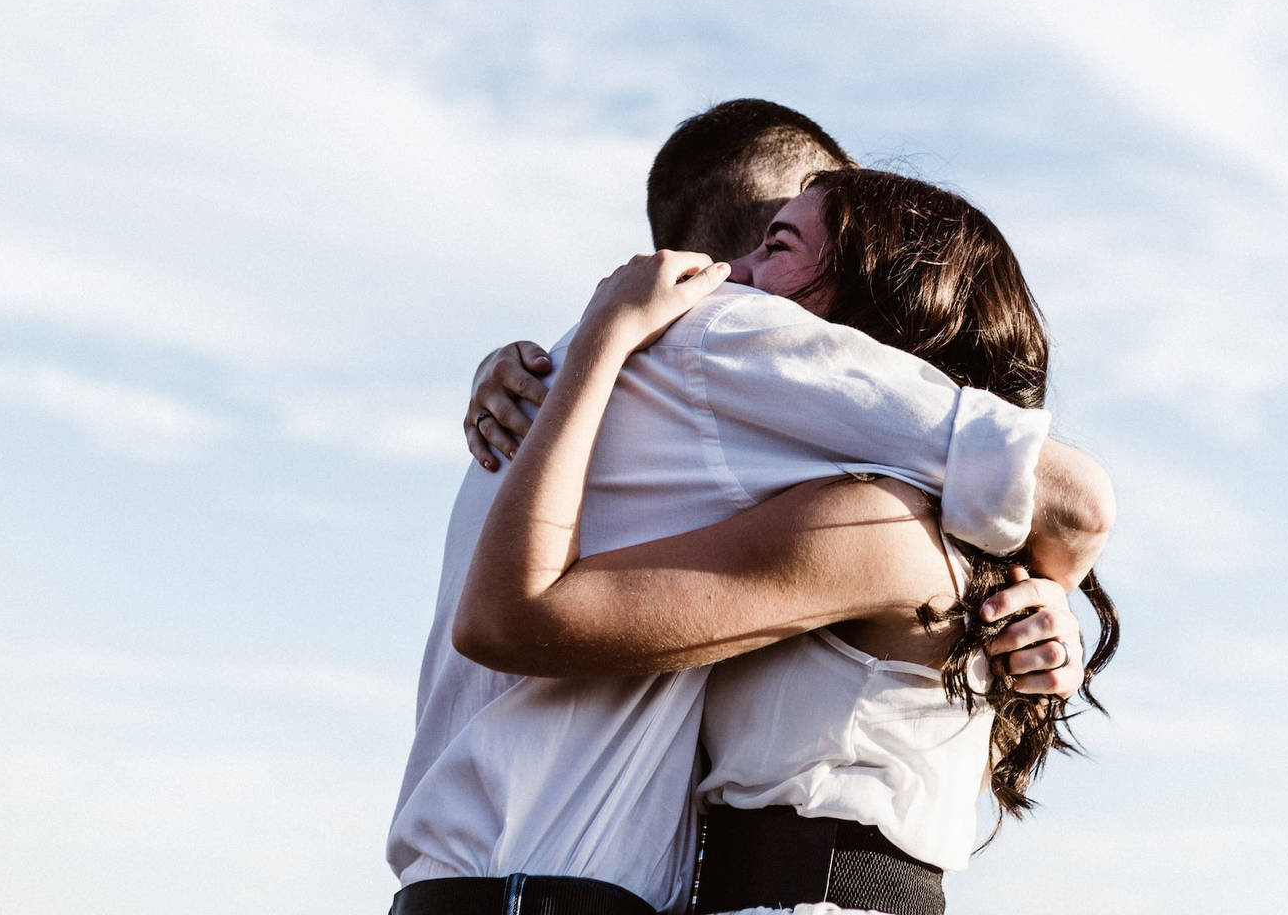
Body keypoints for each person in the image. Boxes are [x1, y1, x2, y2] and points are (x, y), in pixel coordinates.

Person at [388, 100, 1113, 915]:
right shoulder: (722, 394)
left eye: (781, 250)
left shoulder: (883, 526)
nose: (733, 285)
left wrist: (1046, 589)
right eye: (770, 239)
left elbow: (1073, 505)